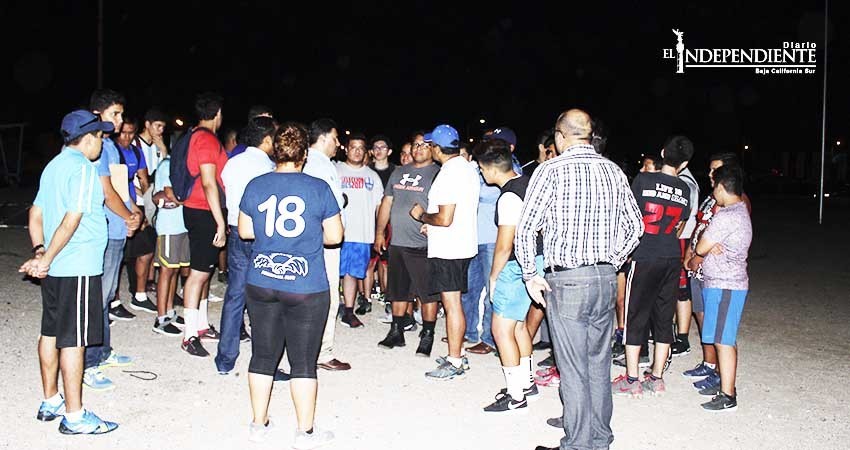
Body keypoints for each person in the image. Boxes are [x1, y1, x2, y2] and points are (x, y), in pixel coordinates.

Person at [517, 109, 643, 450]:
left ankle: (577, 444)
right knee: (598, 363)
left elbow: (526, 228)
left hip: (568, 280)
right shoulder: (614, 170)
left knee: (573, 367)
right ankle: (599, 438)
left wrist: (530, 274)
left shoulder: (550, 170)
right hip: (605, 278)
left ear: (560, 137)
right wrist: (612, 259)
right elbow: (636, 226)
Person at [238, 122, 342, 447]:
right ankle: (304, 432)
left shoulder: (256, 184)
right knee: (303, 362)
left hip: (261, 281)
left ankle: (258, 425)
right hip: (306, 286)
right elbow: (335, 236)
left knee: (262, 355)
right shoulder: (318, 187)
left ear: (275, 151)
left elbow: (245, 231)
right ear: (304, 155)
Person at [21, 109, 118, 434]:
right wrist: (46, 257)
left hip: (56, 269)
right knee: (74, 341)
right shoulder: (84, 169)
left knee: (50, 333)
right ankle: (75, 417)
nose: (102, 143)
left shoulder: (53, 166)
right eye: (100, 137)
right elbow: (72, 219)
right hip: (77, 265)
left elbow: (35, 213)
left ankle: (51, 400)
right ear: (88, 138)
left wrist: (40, 251)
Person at [613, 135, 693, 398]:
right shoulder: (684, 189)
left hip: (645, 254)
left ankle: (632, 378)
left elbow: (629, 216)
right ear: (684, 164)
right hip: (671, 255)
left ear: (662, 153)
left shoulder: (643, 180)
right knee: (664, 316)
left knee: (635, 315)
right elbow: (680, 224)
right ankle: (657, 377)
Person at [475, 138, 544, 413]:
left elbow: (505, 244)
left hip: (516, 265)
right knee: (518, 325)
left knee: (501, 329)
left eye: (482, 169)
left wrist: (494, 277)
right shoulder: (528, 184)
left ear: (492, 168)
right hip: (536, 260)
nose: (482, 173)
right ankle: (527, 384)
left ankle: (516, 396)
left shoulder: (508, 197)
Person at [410, 124, 480, 380]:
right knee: (455, 303)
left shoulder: (449, 173)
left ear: (437, 148)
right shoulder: (467, 168)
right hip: (462, 244)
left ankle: (455, 361)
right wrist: (433, 225)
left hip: (450, 249)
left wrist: (422, 216)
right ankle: (457, 353)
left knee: (452, 305)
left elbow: (445, 218)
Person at [681, 153, 752, 393]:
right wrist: (691, 254)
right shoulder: (712, 200)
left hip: (723, 277)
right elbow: (701, 229)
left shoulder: (733, 206)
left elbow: (714, 241)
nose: (711, 174)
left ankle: (725, 385)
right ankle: (710, 366)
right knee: (709, 324)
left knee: (723, 334)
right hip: (707, 274)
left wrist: (698, 256)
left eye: (716, 170)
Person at [85, 89, 139, 391]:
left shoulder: (110, 146)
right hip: (104, 229)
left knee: (106, 296)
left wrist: (132, 213)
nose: (119, 120)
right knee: (96, 298)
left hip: (117, 228)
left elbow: (120, 187)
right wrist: (128, 216)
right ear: (98, 114)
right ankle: (89, 363)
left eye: (121, 114)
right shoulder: (95, 146)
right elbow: (106, 193)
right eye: (114, 114)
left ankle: (103, 351)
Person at [215, 117, 277, 374]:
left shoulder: (233, 163)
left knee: (235, 295)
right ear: (267, 139)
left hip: (237, 234)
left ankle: (225, 359)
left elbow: (225, 189)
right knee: (266, 299)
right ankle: (265, 363)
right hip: (262, 236)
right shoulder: (269, 168)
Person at [375, 135, 440, 351]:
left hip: (424, 244)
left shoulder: (438, 173)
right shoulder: (398, 172)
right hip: (398, 241)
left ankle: (428, 333)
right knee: (398, 290)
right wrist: (380, 233)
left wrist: (433, 223)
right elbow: (387, 203)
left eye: (424, 145)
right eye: (415, 144)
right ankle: (396, 331)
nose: (418, 148)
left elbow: (447, 206)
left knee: (427, 293)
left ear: (432, 148)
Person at [180, 92, 228, 357]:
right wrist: (220, 222)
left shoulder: (194, 135)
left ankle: (200, 326)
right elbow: (209, 183)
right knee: (198, 274)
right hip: (203, 211)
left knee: (204, 271)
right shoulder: (207, 139)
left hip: (198, 209)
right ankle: (189, 335)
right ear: (217, 113)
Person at [303, 118, 350, 371]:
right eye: (335, 138)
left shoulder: (307, 162)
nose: (338, 143)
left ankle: (303, 349)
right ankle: (322, 352)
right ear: (322, 138)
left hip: (309, 241)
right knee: (328, 296)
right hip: (323, 242)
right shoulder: (320, 166)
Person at [336, 132, 384, 328]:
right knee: (332, 272)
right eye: (353, 147)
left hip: (362, 234)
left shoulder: (372, 176)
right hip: (336, 233)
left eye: (360, 148)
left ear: (365, 152)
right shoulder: (335, 170)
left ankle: (348, 310)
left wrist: (380, 232)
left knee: (352, 274)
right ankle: (330, 307)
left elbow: (380, 207)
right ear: (346, 149)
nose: (356, 151)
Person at [116, 118, 158, 315]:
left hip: (134, 206)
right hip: (116, 208)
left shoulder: (136, 152)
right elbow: (113, 188)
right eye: (123, 133)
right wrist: (131, 213)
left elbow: (143, 179)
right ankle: (113, 301)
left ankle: (139, 296)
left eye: (131, 133)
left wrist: (147, 210)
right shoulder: (111, 151)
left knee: (146, 249)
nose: (127, 137)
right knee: (116, 256)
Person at [151, 141, 188, 337]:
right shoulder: (167, 165)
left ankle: (170, 311)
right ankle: (160, 318)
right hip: (169, 227)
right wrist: (188, 199)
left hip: (181, 225)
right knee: (166, 271)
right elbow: (169, 193)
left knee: (175, 270)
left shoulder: (183, 168)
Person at [360, 134, 396, 313]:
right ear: (371, 151)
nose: (379, 150)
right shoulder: (366, 171)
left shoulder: (396, 172)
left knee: (386, 262)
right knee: (368, 262)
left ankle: (387, 296)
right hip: (368, 221)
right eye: (375, 147)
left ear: (389, 151)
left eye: (383, 147)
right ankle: (365, 298)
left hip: (389, 223)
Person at [672, 164, 700, 356]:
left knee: (682, 291)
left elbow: (681, 218)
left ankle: (682, 339)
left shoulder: (685, 183)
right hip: (678, 239)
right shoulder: (682, 179)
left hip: (680, 239)